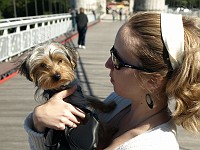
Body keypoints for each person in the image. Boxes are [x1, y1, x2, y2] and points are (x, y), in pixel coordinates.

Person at [24, 12, 200, 149]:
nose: (107, 64)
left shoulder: (154, 145)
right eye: (112, 52)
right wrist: (39, 122)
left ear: (153, 81)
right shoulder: (119, 101)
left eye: (118, 60)